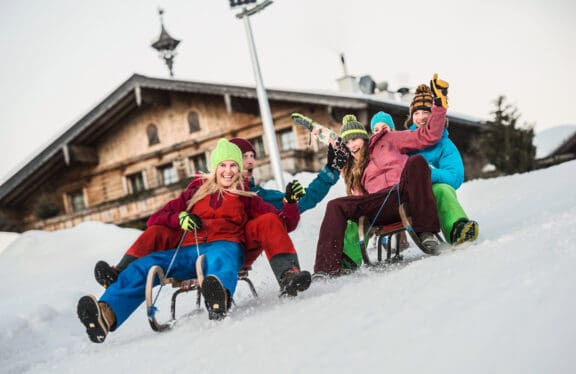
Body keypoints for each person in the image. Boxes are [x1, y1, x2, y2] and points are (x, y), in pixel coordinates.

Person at [77, 139, 307, 343]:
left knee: (222, 257)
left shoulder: (248, 197)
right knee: (144, 266)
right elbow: (156, 219)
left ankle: (221, 296)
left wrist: (290, 203)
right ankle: (105, 314)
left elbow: (282, 224)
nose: (228, 171)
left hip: (225, 245)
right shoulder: (194, 192)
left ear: (238, 169)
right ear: (214, 168)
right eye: (223, 165)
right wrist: (180, 218)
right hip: (186, 249)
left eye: (233, 165)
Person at [94, 137, 342, 291]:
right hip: (200, 246)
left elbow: (302, 203)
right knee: (159, 232)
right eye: (243, 157)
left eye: (253, 156)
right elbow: (166, 214)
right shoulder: (200, 190)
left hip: (235, 249)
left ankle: (288, 276)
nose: (250, 162)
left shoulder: (256, 195)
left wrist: (329, 171)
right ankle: (120, 273)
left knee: (266, 222)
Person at [314, 74, 449, 276]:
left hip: (402, 193)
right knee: (336, 205)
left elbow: (428, 135)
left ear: (364, 137)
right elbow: (356, 187)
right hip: (375, 204)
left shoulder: (391, 139)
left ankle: (426, 232)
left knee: (417, 162)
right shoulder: (359, 160)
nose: (353, 145)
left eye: (356, 140)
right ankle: (326, 268)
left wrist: (439, 105)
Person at [403, 84, 479, 245]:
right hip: (409, 194)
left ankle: (458, 228)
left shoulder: (445, 145)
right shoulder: (405, 143)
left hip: (435, 190)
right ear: (411, 117)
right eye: (416, 113)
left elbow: (454, 176)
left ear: (434, 116)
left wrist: (428, 174)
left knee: (442, 189)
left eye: (426, 112)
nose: (421, 117)